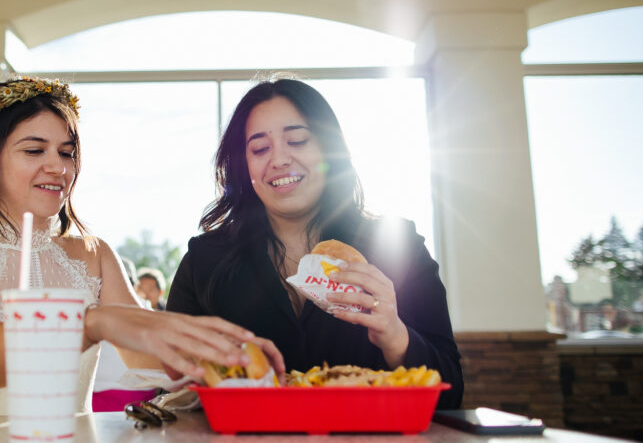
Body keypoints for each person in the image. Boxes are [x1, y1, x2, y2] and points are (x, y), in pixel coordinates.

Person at [0, 75, 284, 416]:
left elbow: (148, 353)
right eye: (35, 150)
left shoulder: (93, 253)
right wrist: (90, 323)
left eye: (67, 152)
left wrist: (222, 354)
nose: (59, 167)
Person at [166, 77, 463, 408]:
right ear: (243, 165)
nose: (279, 159)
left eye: (297, 140)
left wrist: (396, 337)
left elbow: (452, 391)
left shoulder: (398, 245)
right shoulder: (204, 260)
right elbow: (171, 388)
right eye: (260, 148)